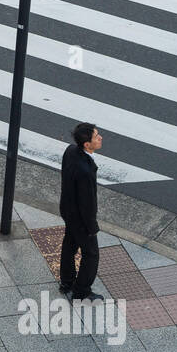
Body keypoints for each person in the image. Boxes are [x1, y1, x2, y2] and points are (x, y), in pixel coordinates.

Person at [60, 122, 103, 302]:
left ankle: (67, 282)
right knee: (91, 254)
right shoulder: (85, 171)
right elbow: (87, 203)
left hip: (67, 209)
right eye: (96, 136)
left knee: (69, 245)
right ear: (87, 144)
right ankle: (81, 291)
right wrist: (92, 227)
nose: (100, 138)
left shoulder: (70, 151)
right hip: (80, 218)